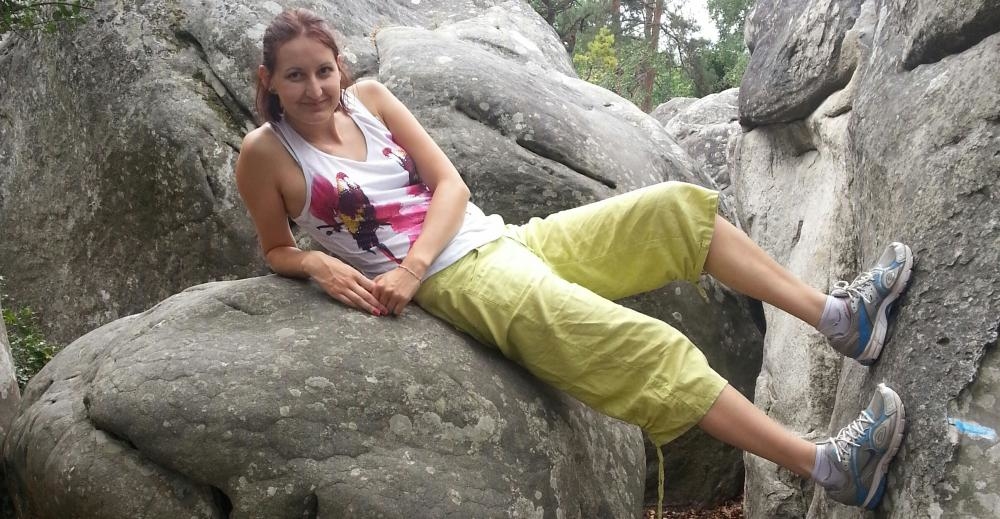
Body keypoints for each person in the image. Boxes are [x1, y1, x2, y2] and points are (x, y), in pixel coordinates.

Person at [235, 8, 912, 513]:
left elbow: (452, 186)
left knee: (676, 210)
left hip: (500, 239)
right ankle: (831, 468)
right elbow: (276, 247)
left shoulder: (373, 101)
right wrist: (317, 264)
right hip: (461, 282)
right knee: (650, 349)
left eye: (323, 71)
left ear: (340, 67)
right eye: (295, 76)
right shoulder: (267, 154)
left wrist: (409, 265)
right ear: (270, 81)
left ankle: (841, 319)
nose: (314, 89)